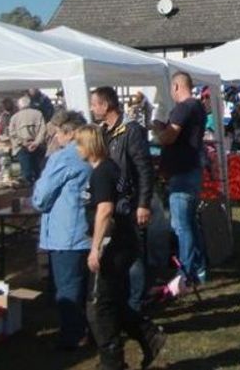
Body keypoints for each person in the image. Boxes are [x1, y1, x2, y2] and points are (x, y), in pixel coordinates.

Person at [76, 125, 165, 370]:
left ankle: (113, 361)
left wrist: (95, 248)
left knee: (98, 305)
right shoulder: (112, 168)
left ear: (90, 146)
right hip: (125, 242)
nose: (76, 150)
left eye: (79, 144)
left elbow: (105, 211)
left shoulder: (102, 173)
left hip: (113, 245)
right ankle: (148, 335)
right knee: (114, 300)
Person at [91, 87, 155, 313]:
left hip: (130, 200)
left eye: (94, 104)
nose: (91, 108)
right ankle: (122, 298)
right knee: (118, 251)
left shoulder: (131, 130)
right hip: (112, 200)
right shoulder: (104, 132)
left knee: (134, 253)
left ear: (105, 105)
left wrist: (143, 203)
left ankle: (136, 303)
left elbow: (144, 169)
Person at [31, 114, 92, 350]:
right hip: (87, 229)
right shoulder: (93, 154)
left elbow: (42, 196)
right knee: (86, 287)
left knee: (67, 289)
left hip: (66, 232)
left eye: (58, 132)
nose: (55, 137)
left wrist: (37, 194)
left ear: (70, 133)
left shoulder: (63, 158)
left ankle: (73, 336)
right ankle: (90, 330)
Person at [151, 71, 208, 286]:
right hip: (191, 169)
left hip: (183, 173)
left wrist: (158, 131)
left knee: (182, 226)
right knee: (191, 224)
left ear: (176, 86)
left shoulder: (184, 108)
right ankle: (198, 269)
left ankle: (186, 273)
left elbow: (170, 136)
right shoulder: (198, 107)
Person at [9, 95, 48, 182]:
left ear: (19, 106)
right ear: (30, 104)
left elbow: (12, 134)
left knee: (27, 173)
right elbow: (43, 130)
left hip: (22, 148)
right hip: (38, 147)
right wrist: (36, 142)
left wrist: (22, 142)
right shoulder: (38, 114)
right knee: (40, 173)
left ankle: (28, 191)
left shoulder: (14, 117)